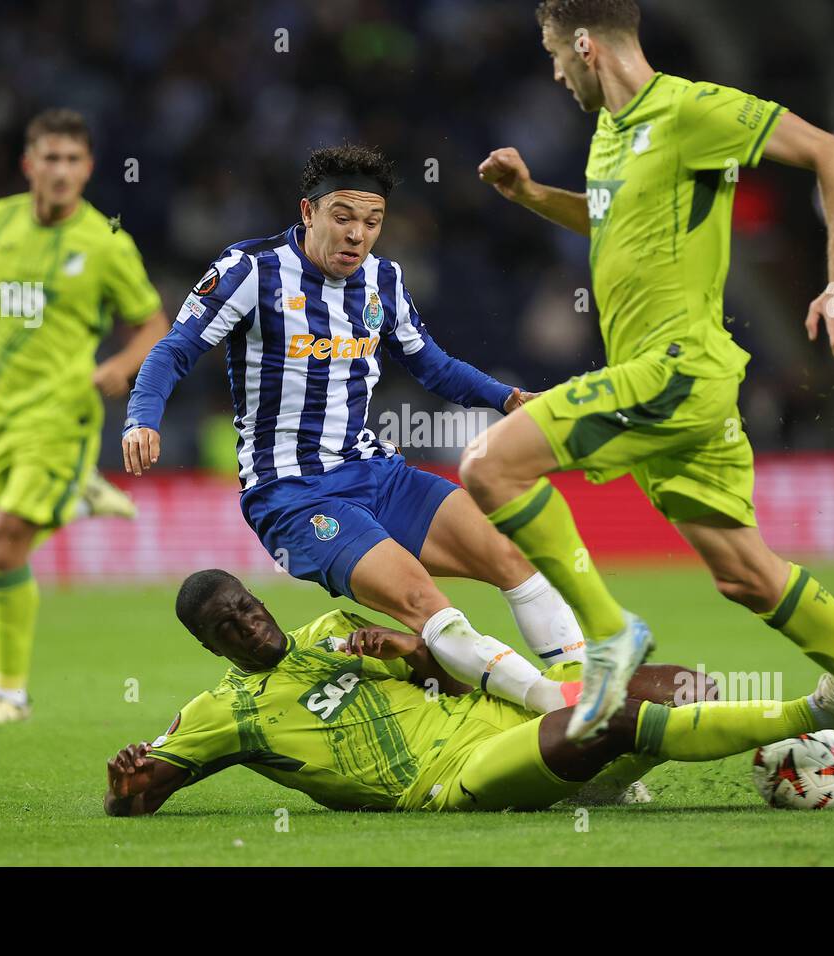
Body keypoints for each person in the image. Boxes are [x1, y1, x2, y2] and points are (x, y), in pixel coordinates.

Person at [459, 0, 834, 817]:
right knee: (746, 576)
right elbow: (612, 227)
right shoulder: (612, 135)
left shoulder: (691, 108)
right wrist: (532, 195)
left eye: (554, 52)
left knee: (489, 465)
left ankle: (609, 633)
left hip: (675, 370)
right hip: (674, 387)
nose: (553, 71)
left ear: (585, 44)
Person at [121, 144, 591, 720]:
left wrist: (509, 399)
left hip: (377, 473)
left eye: (372, 222)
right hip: (293, 493)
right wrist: (142, 416)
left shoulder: (383, 282)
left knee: (512, 558)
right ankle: (570, 717)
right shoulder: (251, 270)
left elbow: (433, 365)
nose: (356, 235)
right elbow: (173, 350)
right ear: (309, 212)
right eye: (342, 217)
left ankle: (585, 692)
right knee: (425, 604)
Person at [103, 570, 834, 815]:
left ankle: (596, 784)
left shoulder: (331, 628)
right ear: (210, 646)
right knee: (601, 722)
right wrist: (126, 786)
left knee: (685, 684)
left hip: (501, 713)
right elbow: (137, 797)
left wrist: (410, 650)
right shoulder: (221, 714)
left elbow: (443, 669)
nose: (246, 624)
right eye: (225, 626)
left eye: (245, 606)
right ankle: (817, 712)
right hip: (446, 778)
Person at [0, 108, 169, 724]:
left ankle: (10, 695)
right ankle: (77, 500)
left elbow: (154, 324)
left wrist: (123, 365)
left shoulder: (106, 244)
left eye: (72, 161)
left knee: (5, 550)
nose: (60, 171)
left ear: (87, 170)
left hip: (63, 417)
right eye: (49, 159)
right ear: (29, 164)